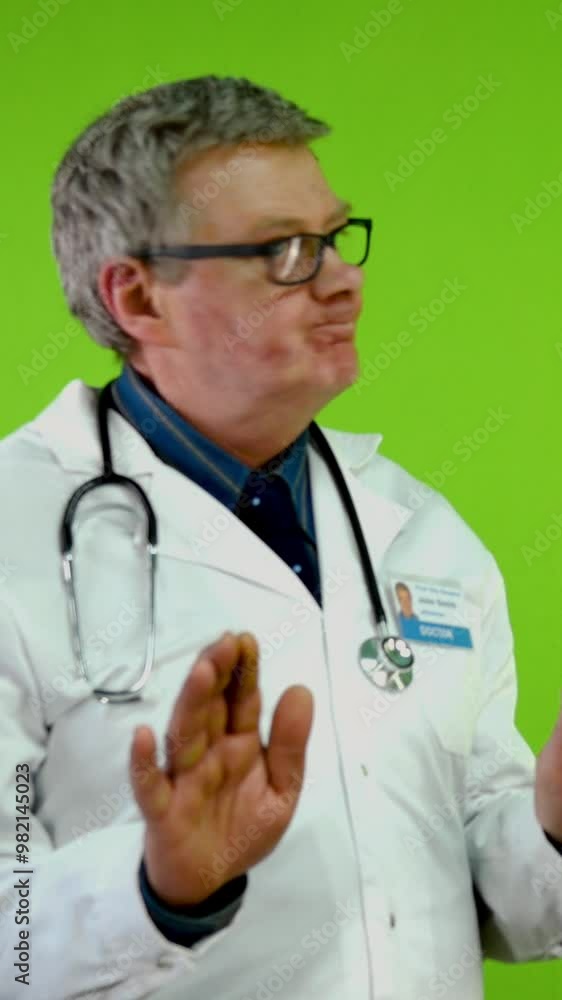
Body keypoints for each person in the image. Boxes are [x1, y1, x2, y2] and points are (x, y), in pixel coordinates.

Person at [0, 75, 561, 1000]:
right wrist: (162, 893)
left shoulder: (422, 533)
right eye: (286, 252)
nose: (343, 279)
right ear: (138, 298)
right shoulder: (16, 531)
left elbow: (494, 905)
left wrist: (552, 823)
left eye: (336, 237)